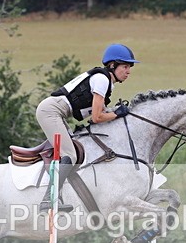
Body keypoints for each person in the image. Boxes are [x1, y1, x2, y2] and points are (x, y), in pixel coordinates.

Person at [36, 43, 139, 212]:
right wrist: (118, 114)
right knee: (69, 154)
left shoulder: (106, 82)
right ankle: (49, 198)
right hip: (50, 112)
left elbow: (99, 113)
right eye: (125, 67)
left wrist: (114, 112)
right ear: (112, 65)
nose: (128, 72)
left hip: (57, 113)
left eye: (130, 68)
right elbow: (98, 117)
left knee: (77, 150)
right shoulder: (102, 79)